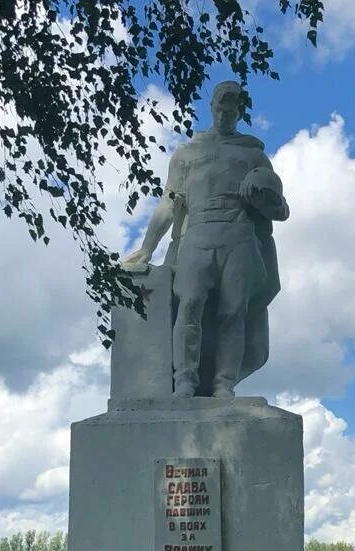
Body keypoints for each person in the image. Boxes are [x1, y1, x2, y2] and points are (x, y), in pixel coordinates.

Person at [121, 81, 287, 398]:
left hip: (238, 237)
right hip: (196, 235)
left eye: (232, 109)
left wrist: (263, 197)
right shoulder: (188, 154)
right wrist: (147, 247)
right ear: (211, 107)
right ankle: (185, 379)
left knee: (232, 312)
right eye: (220, 108)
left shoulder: (253, 155)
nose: (225, 113)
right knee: (189, 304)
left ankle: (223, 383)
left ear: (239, 111)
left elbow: (280, 210)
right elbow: (170, 202)